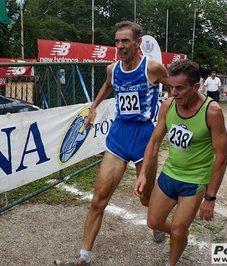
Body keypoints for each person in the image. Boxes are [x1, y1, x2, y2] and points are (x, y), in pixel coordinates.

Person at [54, 21, 170, 266]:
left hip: (144, 138)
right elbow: (108, 85)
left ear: (138, 43)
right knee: (98, 200)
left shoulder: (153, 69)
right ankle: (83, 257)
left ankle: (161, 225)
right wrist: (94, 106)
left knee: (146, 200)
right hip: (118, 135)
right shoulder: (112, 69)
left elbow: (174, 90)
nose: (120, 46)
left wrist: (169, 116)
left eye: (125, 41)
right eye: (117, 41)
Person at [135, 59, 227, 266]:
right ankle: (181, 232)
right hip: (169, 174)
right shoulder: (168, 105)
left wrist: (210, 198)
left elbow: (222, 158)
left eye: (180, 88)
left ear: (196, 87)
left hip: (194, 180)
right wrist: (142, 174)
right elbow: (155, 140)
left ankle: (172, 261)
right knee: (154, 222)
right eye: (170, 87)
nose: (174, 92)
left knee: (177, 230)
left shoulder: (212, 111)